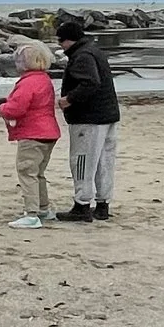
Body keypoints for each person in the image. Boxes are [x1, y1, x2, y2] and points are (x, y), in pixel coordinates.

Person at [54, 18, 120, 222]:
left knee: (82, 160)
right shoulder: (94, 51)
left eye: (60, 41)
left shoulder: (82, 56)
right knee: (104, 161)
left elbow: (90, 83)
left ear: (68, 40)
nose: (60, 45)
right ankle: (102, 205)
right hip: (108, 115)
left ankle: (82, 205)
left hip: (89, 118)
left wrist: (68, 100)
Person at [0, 40, 61, 228]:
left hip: (33, 133)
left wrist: (2, 107)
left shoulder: (28, 82)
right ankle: (43, 208)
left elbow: (16, 109)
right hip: (48, 132)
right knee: (38, 173)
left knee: (27, 172)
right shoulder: (44, 79)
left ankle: (32, 214)